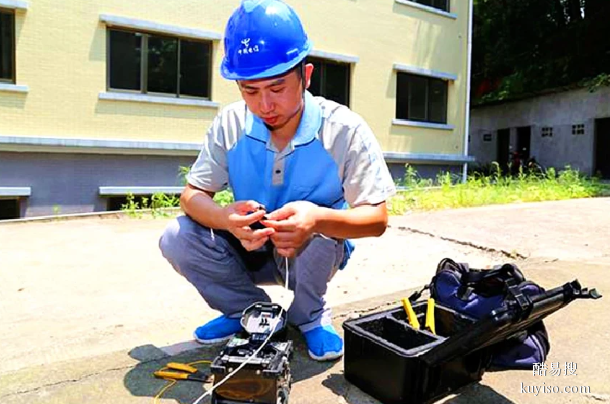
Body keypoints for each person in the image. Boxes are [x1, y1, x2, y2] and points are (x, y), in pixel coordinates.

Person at [159, 0, 396, 361]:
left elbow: (377, 218)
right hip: (248, 248)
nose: (265, 105)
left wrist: (316, 219)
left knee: (322, 230)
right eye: (249, 91)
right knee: (177, 237)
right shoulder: (230, 124)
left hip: (311, 255)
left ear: (307, 75)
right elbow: (192, 195)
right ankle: (249, 312)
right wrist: (225, 218)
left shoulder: (344, 130)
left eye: (277, 87)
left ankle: (310, 316)